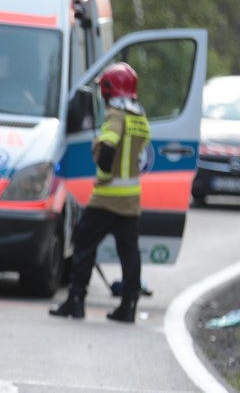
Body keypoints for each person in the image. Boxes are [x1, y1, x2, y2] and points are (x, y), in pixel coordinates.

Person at [49, 62, 150, 323]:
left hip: (106, 197)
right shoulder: (139, 117)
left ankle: (76, 301)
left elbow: (108, 147)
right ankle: (128, 307)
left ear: (109, 89)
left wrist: (102, 160)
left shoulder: (116, 115)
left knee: (83, 244)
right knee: (130, 254)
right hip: (131, 199)